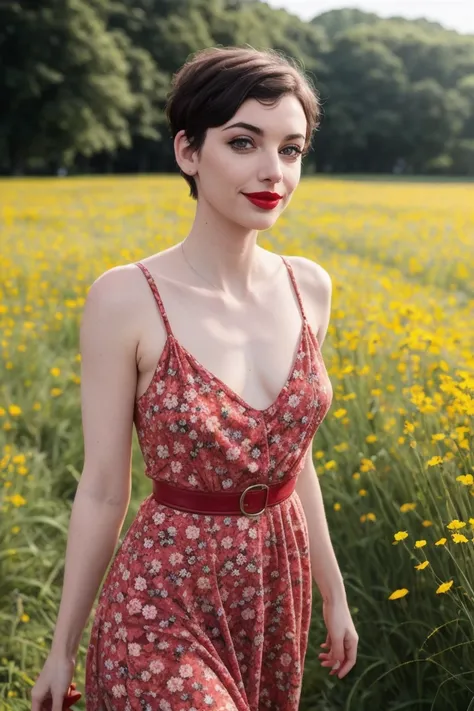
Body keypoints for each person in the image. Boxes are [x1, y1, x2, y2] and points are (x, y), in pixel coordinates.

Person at [31, 45, 358, 711]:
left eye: (290, 149)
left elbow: (298, 460)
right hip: (162, 598)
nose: (273, 170)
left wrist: (334, 590)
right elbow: (100, 489)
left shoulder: (309, 289)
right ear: (188, 151)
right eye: (244, 142)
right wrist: (63, 646)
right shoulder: (126, 297)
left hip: (274, 587)